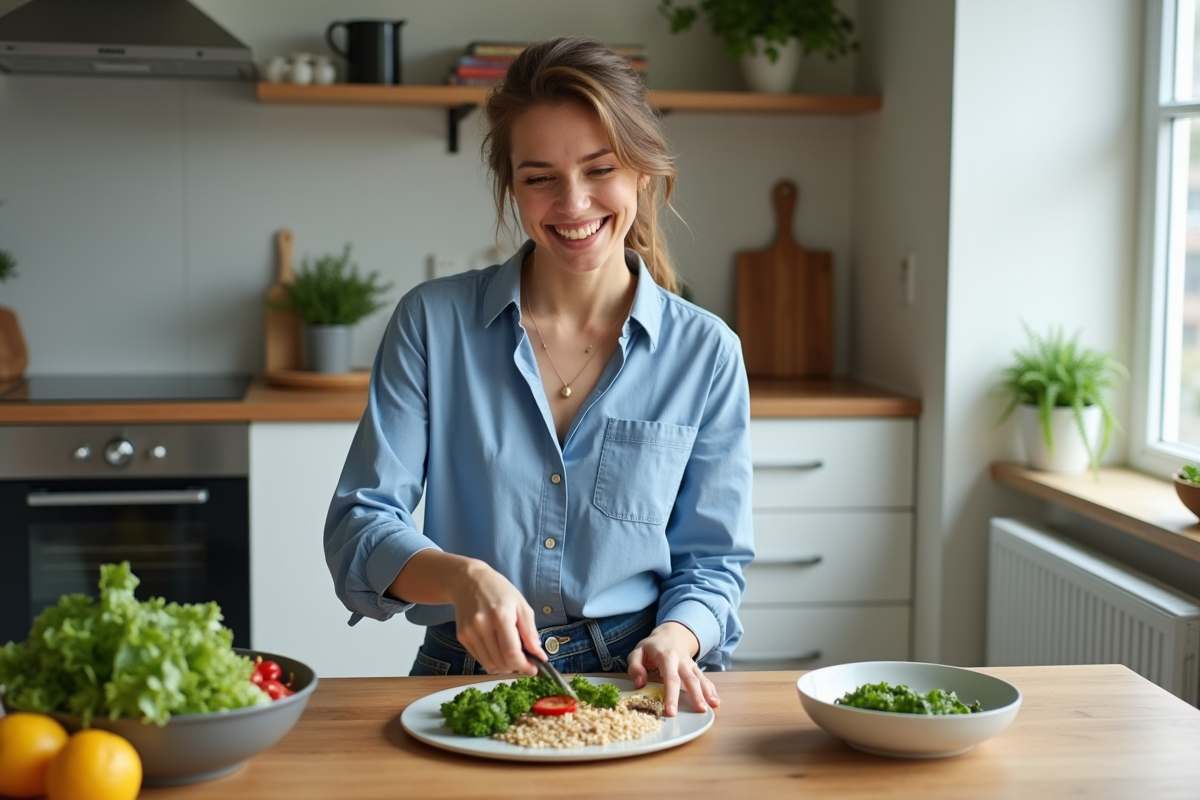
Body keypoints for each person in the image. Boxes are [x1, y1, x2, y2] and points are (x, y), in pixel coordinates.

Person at [324, 35, 754, 717]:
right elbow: (359, 526)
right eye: (540, 176)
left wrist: (679, 635)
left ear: (642, 172)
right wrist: (463, 579)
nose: (574, 202)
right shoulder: (432, 323)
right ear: (512, 188)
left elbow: (712, 561)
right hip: (461, 671)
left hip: (638, 680)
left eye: (599, 168)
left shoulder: (706, 353)